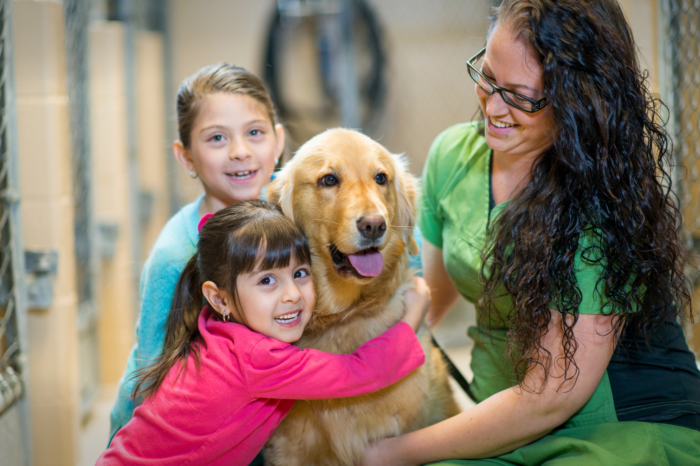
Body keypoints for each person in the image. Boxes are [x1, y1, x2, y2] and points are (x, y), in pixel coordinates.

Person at [361, 0, 700, 465]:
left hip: (618, 427)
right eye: (487, 75)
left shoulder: (598, 200)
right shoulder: (453, 156)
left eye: (520, 95)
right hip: (501, 423)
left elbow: (551, 396)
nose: (493, 107)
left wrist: (389, 453)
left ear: (577, 101)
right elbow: (428, 300)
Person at [98, 200, 430, 465]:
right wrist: (411, 317)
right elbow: (360, 372)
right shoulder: (260, 358)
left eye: (300, 273)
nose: (292, 295)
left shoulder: (217, 330)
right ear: (219, 297)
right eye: (267, 281)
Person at [108, 63, 286, 442]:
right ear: (186, 156)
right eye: (217, 139)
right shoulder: (176, 254)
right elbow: (150, 372)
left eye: (255, 132)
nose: (240, 152)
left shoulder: (300, 213)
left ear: (279, 140)